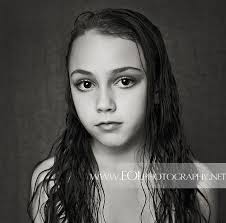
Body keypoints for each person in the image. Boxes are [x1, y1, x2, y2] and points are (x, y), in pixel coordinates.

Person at [28, 8, 217, 223]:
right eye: (86, 84)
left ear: (157, 88)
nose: (104, 104)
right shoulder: (51, 182)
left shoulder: (197, 183)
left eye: (125, 81)